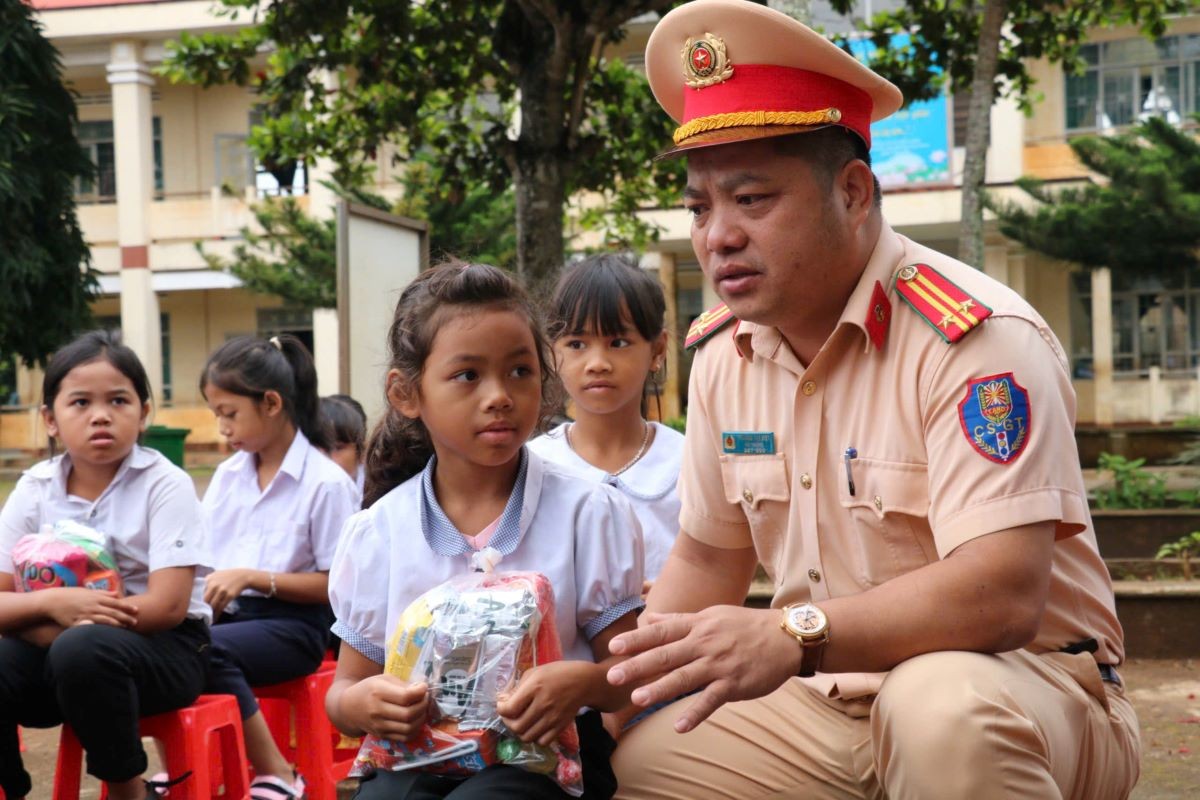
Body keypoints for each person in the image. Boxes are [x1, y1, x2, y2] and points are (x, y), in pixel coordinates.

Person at [604, 2, 1138, 798]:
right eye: (700, 206)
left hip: (1024, 686)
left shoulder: (975, 340)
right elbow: (710, 555)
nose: (717, 235)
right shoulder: (726, 352)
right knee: (648, 759)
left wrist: (794, 631)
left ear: (853, 193)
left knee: (940, 711)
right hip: (836, 698)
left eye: (751, 200)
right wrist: (620, 689)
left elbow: (1003, 591)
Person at [325, 261, 645, 799]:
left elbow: (629, 672)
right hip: (419, 754)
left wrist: (584, 684)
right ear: (407, 393)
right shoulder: (380, 532)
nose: (499, 395)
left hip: (547, 757)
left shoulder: (586, 513)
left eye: (519, 371)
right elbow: (345, 690)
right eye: (468, 375)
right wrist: (365, 706)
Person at [0, 331, 211, 800]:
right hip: (51, 644)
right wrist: (56, 604)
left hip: (164, 651)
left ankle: (128, 792)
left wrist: (72, 625)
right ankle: (8, 787)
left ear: (143, 414)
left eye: (119, 400)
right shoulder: (35, 490)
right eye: (80, 402)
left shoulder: (165, 485)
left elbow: (168, 606)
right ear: (50, 420)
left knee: (84, 649)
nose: (101, 415)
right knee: (65, 650)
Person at [200, 334, 359, 800]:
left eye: (229, 414)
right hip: (229, 620)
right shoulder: (229, 477)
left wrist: (253, 578)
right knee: (166, 646)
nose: (222, 428)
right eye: (217, 416)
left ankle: (281, 775)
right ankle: (189, 772)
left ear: (271, 403)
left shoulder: (325, 483)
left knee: (202, 650)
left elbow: (340, 588)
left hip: (295, 628)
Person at [529, 253, 683, 585]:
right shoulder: (532, 467)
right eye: (577, 343)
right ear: (553, 353)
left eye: (618, 342)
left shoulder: (688, 465)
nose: (597, 362)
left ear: (657, 351)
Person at [321, 393, 368, 495]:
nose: (324, 457)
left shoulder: (380, 499)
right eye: (315, 449)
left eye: (337, 448)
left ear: (362, 451)